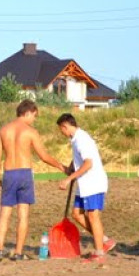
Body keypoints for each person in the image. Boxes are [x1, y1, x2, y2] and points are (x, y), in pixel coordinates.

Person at [0, 99, 67, 261]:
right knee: (23, 214)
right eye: (34, 115)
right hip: (24, 174)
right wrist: (62, 167)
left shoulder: (3, 130)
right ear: (27, 113)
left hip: (9, 173)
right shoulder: (30, 132)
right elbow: (44, 156)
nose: (34, 119)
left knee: (5, 213)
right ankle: (18, 253)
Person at [55, 113, 115, 264]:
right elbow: (79, 157)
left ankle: (100, 252)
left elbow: (88, 163)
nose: (61, 133)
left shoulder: (81, 139)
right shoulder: (75, 139)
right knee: (76, 214)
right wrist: (70, 167)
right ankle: (104, 240)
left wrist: (69, 178)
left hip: (93, 183)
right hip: (84, 184)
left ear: (65, 126)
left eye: (61, 130)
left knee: (93, 216)